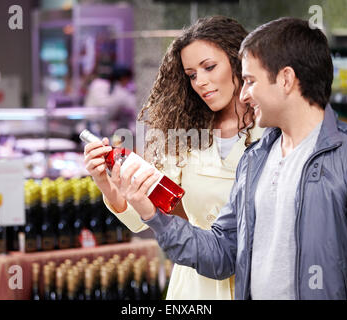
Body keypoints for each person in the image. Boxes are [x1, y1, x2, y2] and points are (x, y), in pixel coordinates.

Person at [112, 17, 347, 300]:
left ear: (285, 79)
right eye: (192, 74)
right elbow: (222, 253)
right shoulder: (255, 160)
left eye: (250, 81)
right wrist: (151, 213)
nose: (244, 94)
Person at [84, 16, 264, 300]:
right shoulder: (185, 135)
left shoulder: (271, 131)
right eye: (192, 75)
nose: (200, 82)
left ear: (238, 61)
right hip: (196, 287)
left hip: (258, 282)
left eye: (209, 67)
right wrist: (109, 186)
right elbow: (149, 216)